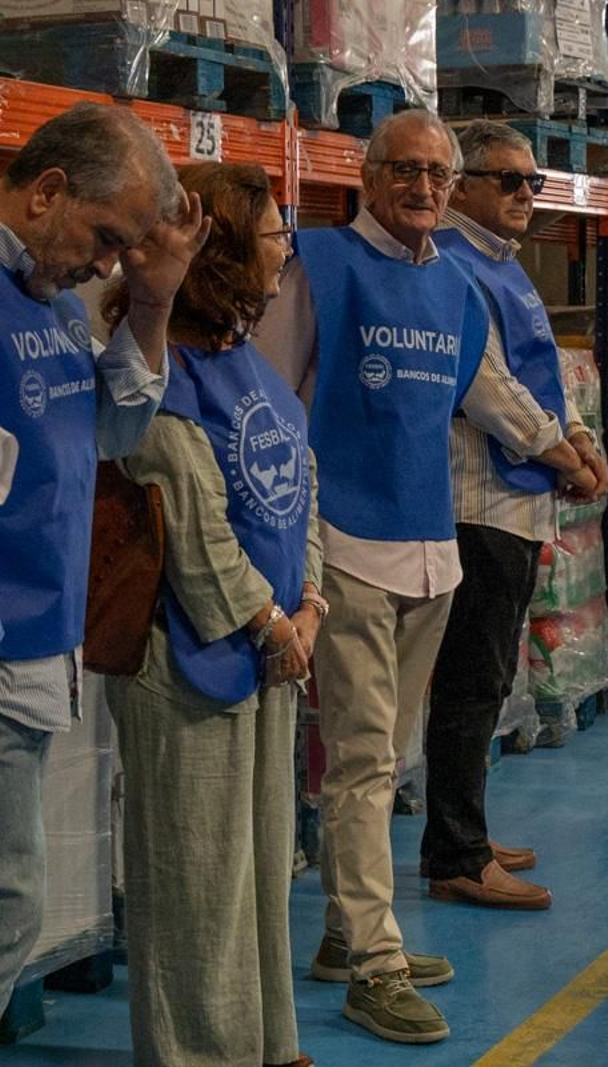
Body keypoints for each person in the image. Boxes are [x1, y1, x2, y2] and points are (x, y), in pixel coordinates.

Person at [255, 110, 499, 1044]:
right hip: (347, 546)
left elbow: (475, 397)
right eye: (404, 169)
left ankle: (341, 928)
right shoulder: (318, 266)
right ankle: (374, 964)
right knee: (360, 763)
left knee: (388, 763)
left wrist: (561, 444)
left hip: (432, 550)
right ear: (366, 175)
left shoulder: (459, 288)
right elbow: (269, 402)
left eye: (439, 174)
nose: (423, 188)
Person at [99, 162, 315, 1067]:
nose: (286, 253)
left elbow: (299, 484)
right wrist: (272, 622)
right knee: (195, 882)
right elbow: (192, 530)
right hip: (187, 658)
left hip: (269, 655)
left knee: (260, 869)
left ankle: (263, 1043)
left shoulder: (241, 360)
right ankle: (197, 1053)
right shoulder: (164, 377)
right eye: (273, 237)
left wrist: (311, 603)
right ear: (222, 251)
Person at [0, 103, 201, 1015]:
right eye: (107, 238)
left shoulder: (46, 302)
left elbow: (115, 428)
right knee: (10, 904)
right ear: (48, 191)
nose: (109, 264)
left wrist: (152, 304)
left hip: (38, 646)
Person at [427, 120, 604, 912]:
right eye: (508, 180)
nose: (526, 194)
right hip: (480, 502)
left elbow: (543, 372)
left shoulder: (502, 265)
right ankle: (457, 853)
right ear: (461, 186)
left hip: (518, 497)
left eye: (533, 182)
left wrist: (580, 436)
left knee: (490, 675)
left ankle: (462, 829)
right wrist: (563, 453)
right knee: (473, 679)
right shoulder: (451, 265)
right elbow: (485, 386)